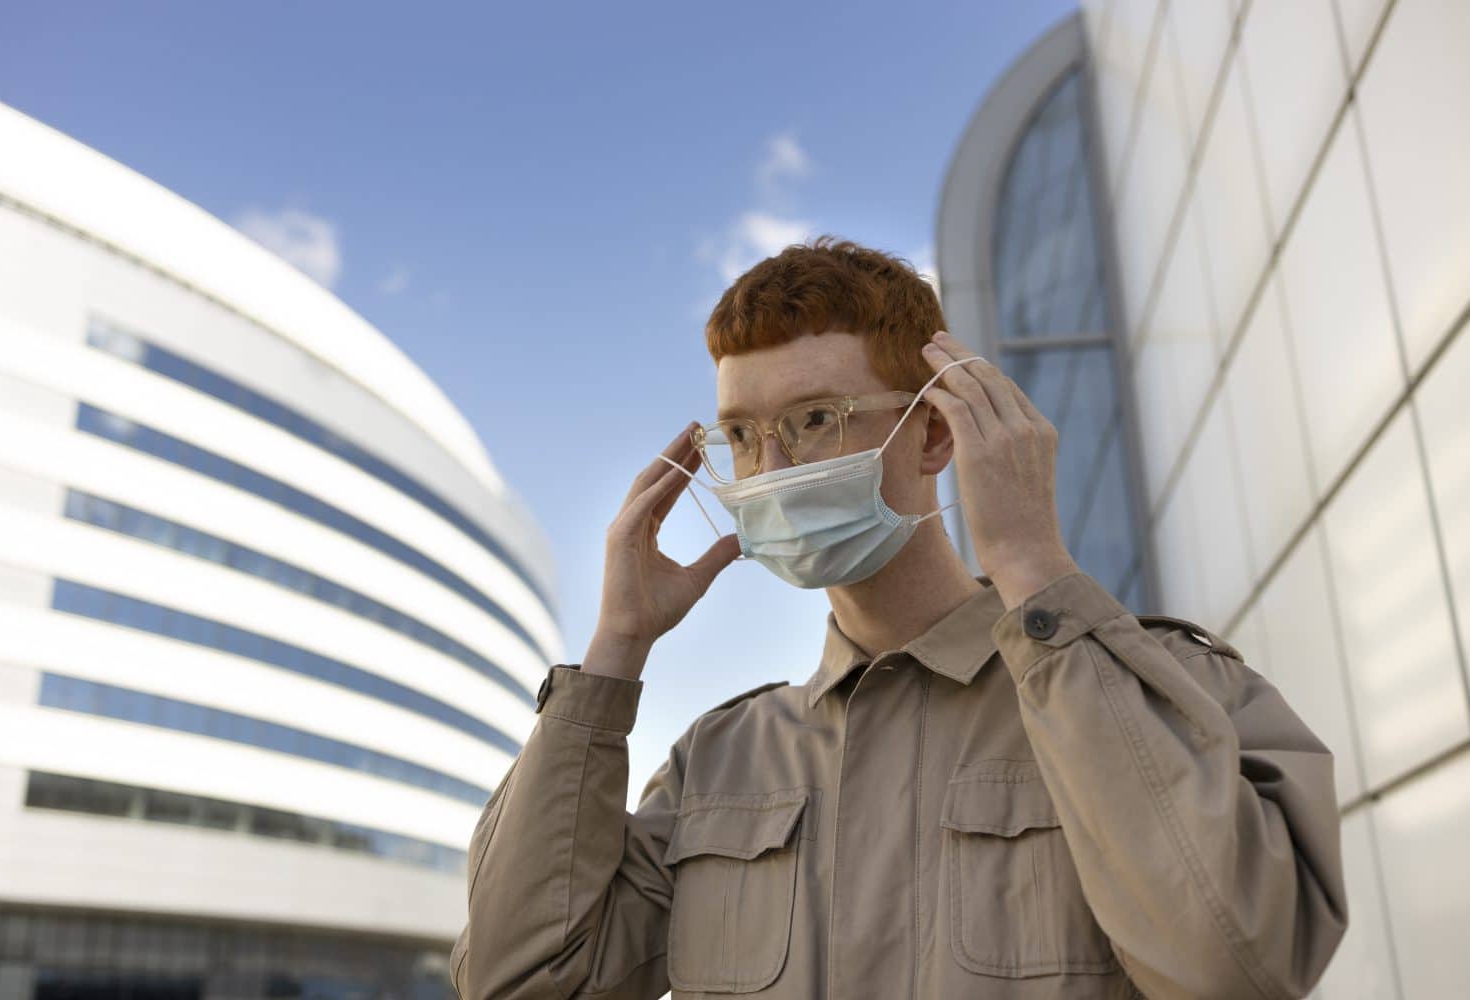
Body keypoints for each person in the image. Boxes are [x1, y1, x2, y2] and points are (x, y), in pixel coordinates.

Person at [449, 236, 1347, 999]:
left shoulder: (1165, 694)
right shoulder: (716, 764)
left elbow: (1236, 966)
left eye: (814, 418)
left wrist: (1034, 565)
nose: (769, 467)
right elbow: (518, 980)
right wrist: (614, 657)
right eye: (743, 434)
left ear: (935, 433)